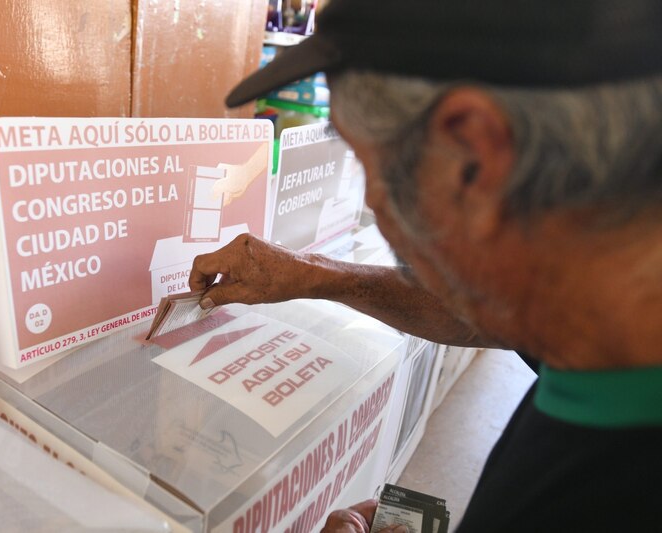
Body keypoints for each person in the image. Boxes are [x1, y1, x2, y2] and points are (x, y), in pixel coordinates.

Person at [190, 0, 662, 530]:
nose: (374, 202)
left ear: (473, 154)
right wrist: (313, 274)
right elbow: (482, 304)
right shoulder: (586, 318)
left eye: (368, 162)